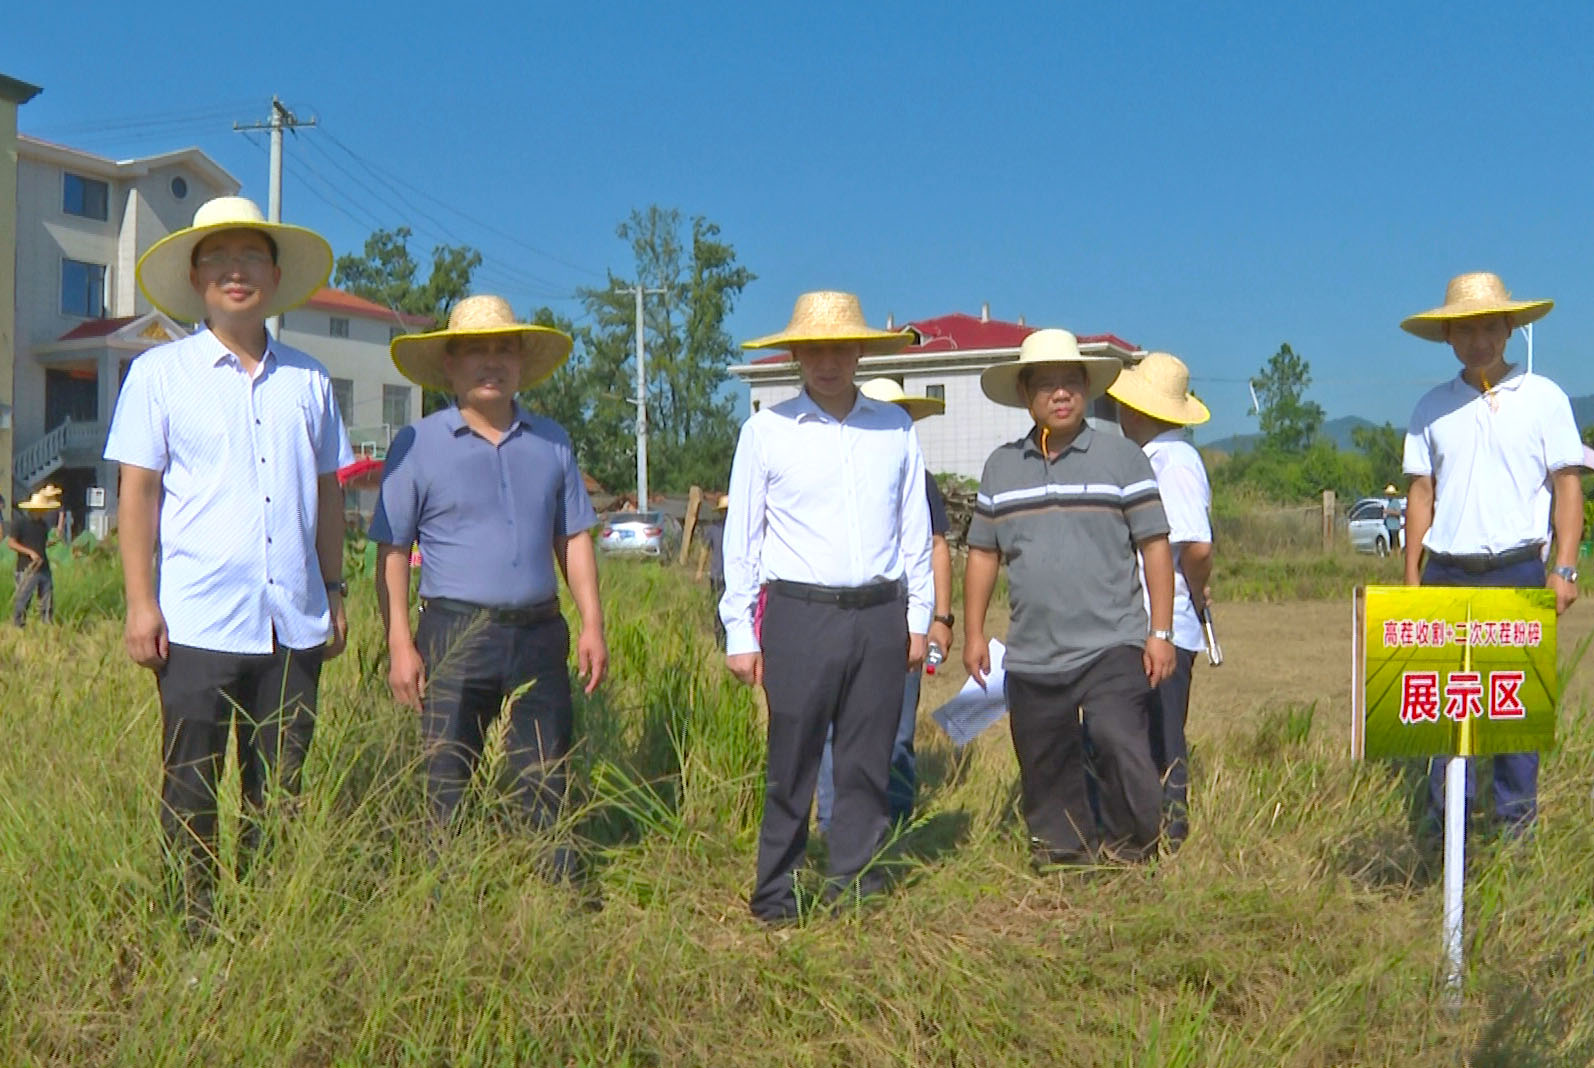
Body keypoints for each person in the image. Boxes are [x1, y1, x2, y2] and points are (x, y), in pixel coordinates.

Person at [103, 196, 352, 934]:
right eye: (219, 259)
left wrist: (335, 590)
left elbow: (329, 499)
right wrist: (140, 603)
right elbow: (138, 494)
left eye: (250, 259)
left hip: (293, 622)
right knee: (191, 785)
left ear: (274, 278)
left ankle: (272, 920)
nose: (235, 272)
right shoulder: (159, 373)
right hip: (198, 620)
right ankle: (197, 932)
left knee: (281, 788)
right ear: (197, 276)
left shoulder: (308, 381)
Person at [370, 294, 606, 882]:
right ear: (450, 364)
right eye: (476, 350)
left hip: (538, 631)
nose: (491, 363)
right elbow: (393, 552)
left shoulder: (553, 442)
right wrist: (400, 641)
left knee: (545, 774)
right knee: (447, 775)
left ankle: (555, 898)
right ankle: (447, 899)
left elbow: (573, 539)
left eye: (504, 349)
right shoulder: (417, 444)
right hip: (453, 632)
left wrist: (593, 624)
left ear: (522, 364)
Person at [723, 291, 933, 922]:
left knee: (868, 759)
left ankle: (856, 889)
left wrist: (918, 618)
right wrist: (741, 630)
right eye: (814, 350)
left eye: (840, 348)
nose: (828, 362)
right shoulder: (765, 430)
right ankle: (775, 897)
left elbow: (914, 531)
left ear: (860, 352)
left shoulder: (893, 428)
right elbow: (744, 540)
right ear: (795, 355)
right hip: (798, 613)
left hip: (878, 612)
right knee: (793, 756)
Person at [963, 329, 1177, 864]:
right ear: (1027, 395)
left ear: (1086, 389)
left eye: (1070, 384)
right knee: (1044, 753)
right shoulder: (1000, 468)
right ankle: (1064, 852)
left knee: (1117, 737)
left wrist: (1161, 633)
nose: (1060, 395)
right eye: (1047, 386)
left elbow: (1154, 546)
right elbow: (984, 554)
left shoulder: (1122, 459)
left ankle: (1134, 847)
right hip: (1034, 648)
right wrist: (971, 632)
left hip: (1114, 640)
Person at [1400, 271, 1582, 835]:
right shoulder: (1432, 407)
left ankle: (1514, 833)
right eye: (1466, 329)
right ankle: (1444, 830)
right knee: (1442, 713)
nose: (1479, 339)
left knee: (1513, 713)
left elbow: (1568, 484)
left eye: (1490, 327)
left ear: (1508, 330)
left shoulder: (1544, 398)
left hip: (1518, 570)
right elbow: (1421, 494)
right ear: (1449, 337)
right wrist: (1411, 581)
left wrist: (1565, 569)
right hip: (1447, 575)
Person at [816, 377, 955, 834]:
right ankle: (835, 823)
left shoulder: (922, 480)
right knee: (833, 727)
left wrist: (939, 617)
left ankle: (893, 820)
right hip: (841, 616)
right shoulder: (834, 474)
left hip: (903, 616)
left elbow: (935, 546)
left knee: (895, 729)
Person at [1107, 353, 1214, 848]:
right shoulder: (1155, 460)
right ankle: (1144, 823)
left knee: (1163, 731)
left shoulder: (1176, 463)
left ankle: (1171, 828)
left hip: (1167, 622)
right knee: (1140, 729)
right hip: (1143, 620)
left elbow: (1196, 545)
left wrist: (1197, 586)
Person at [9, 486, 61, 626]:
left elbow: (40, 543)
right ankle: (18, 627)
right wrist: (30, 552)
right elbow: (11, 543)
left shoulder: (43, 525)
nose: (44, 512)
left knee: (47, 598)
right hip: (27, 567)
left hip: (43, 567)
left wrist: (52, 542)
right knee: (23, 599)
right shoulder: (20, 523)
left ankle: (47, 625)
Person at [1381, 484, 1404, 554]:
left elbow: (1398, 513)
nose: (1387, 496)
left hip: (1395, 526)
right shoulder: (1389, 503)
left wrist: (1388, 512)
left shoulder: (1396, 502)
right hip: (1390, 526)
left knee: (1395, 542)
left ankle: (1397, 555)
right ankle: (1393, 555)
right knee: (1392, 542)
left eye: (1389, 494)